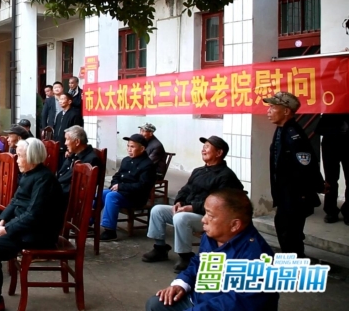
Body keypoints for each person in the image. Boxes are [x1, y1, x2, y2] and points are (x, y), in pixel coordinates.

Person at [0, 138, 63, 311]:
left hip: (39, 233)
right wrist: (2, 221)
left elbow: (33, 215)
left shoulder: (44, 180)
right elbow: (15, 201)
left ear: (32, 158)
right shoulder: (28, 174)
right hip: (24, 227)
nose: (17, 160)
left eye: (20, 156)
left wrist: (7, 229)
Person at [146, 189, 279, 311]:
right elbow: (198, 262)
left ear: (234, 224)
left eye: (210, 215)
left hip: (224, 307)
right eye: (205, 213)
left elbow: (238, 303)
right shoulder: (211, 236)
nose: (203, 220)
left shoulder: (257, 256)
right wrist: (181, 284)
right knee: (156, 303)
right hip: (199, 299)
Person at [143, 136, 243, 272]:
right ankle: (160, 248)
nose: (203, 150)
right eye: (203, 147)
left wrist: (192, 207)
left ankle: (185, 256)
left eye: (207, 147)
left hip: (209, 217)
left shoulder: (226, 176)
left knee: (181, 218)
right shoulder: (198, 171)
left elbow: (221, 205)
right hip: (188, 211)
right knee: (157, 210)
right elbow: (185, 189)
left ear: (219, 153)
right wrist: (179, 201)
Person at [265, 92, 326, 257]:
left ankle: (295, 268)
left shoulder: (293, 134)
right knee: (285, 232)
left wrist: (318, 185)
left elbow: (306, 164)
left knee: (290, 236)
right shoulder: (282, 130)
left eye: (273, 107)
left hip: (295, 197)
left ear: (286, 111)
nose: (268, 111)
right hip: (285, 196)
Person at [100, 133, 156, 241]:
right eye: (128, 146)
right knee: (101, 193)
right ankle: (89, 222)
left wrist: (120, 186)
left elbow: (142, 186)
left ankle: (110, 230)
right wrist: (114, 185)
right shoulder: (126, 160)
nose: (129, 149)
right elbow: (116, 176)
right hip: (122, 192)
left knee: (111, 196)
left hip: (135, 197)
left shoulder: (148, 165)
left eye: (132, 147)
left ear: (142, 149)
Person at [0, 124, 30, 213]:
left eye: (10, 136)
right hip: (12, 177)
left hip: (22, 178)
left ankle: (1, 216)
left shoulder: (25, 150)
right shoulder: (12, 148)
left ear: (19, 138)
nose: (7, 139)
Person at [315, 112, 349, 224]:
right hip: (331, 144)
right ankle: (331, 211)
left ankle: (348, 212)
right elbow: (319, 129)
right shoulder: (331, 107)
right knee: (330, 179)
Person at [56, 126, 102, 199]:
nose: (65, 143)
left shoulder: (91, 160)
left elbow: (73, 184)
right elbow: (61, 173)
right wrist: (69, 158)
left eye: (67, 139)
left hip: (70, 198)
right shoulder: (75, 154)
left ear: (77, 142)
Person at [52, 92, 81, 168]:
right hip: (57, 147)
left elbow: (76, 133)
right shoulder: (59, 115)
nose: (60, 101)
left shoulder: (75, 114)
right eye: (59, 99)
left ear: (69, 101)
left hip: (67, 149)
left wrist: (70, 150)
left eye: (62, 99)